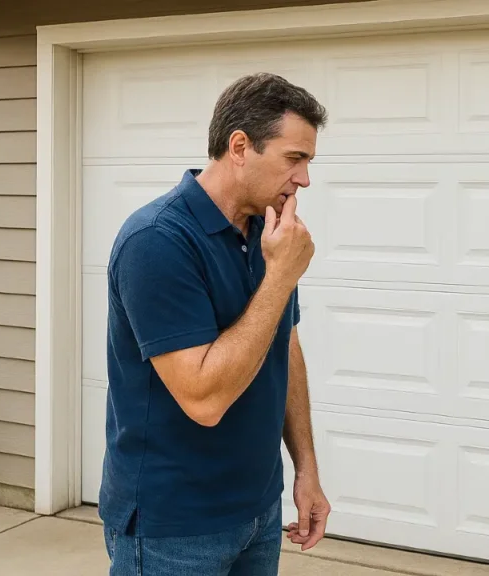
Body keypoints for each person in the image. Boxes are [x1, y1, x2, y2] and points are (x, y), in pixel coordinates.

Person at [100, 72, 330, 575]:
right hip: (174, 526)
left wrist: (306, 468)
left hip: (258, 511)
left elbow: (283, 345)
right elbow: (203, 399)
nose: (305, 179)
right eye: (295, 158)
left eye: (309, 161)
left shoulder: (267, 234)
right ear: (241, 146)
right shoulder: (157, 241)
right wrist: (279, 279)